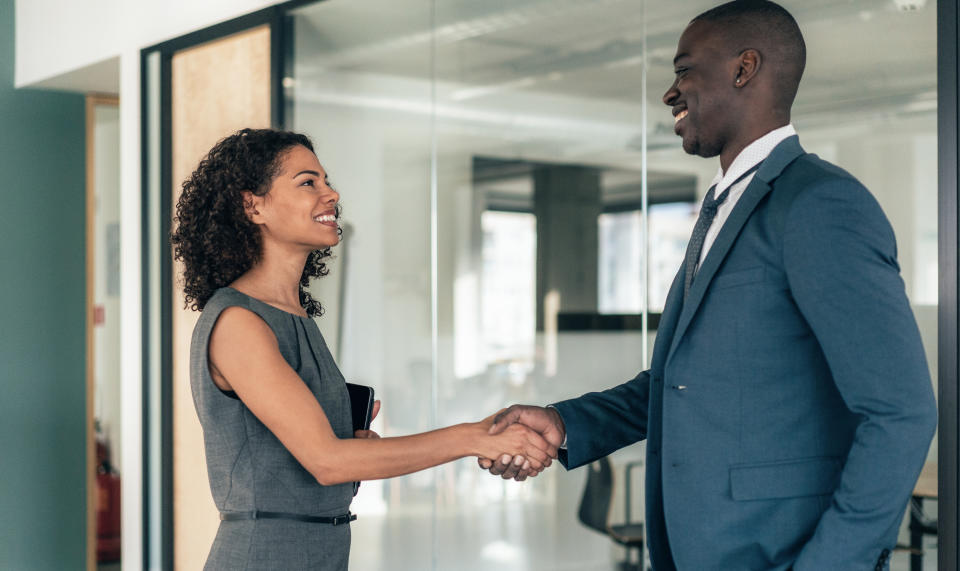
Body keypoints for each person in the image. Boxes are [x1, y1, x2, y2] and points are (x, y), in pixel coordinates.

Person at [480, 2, 937, 570]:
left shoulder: (820, 203)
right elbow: (680, 385)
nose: (671, 94)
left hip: (777, 553)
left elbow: (901, 413)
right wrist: (566, 422)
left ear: (744, 69)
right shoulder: (723, 206)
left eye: (684, 70)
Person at [171, 128, 557, 570]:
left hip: (321, 552)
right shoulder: (239, 322)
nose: (331, 193)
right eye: (307, 182)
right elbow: (326, 462)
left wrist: (361, 449)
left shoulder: (295, 318)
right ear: (252, 205)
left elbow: (322, 463)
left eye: (326, 180)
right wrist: (470, 437)